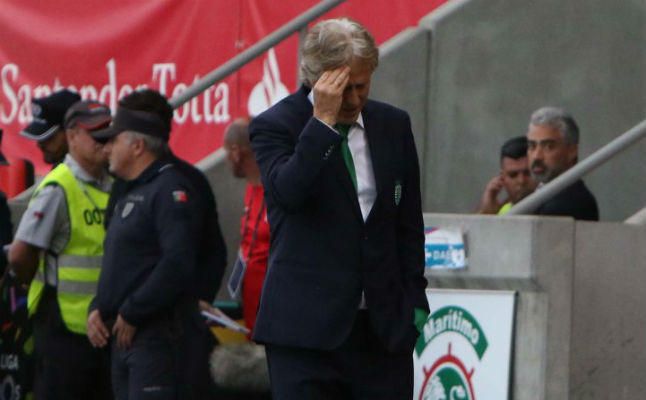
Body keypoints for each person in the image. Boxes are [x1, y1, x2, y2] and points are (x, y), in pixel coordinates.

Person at [249, 18, 429, 399]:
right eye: (343, 88)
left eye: (361, 86)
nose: (353, 99)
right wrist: (322, 125)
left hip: (382, 333)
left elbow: (408, 224)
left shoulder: (393, 125)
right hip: (305, 337)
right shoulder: (276, 125)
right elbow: (288, 194)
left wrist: (415, 305)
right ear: (315, 79)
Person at [88, 90, 207, 399]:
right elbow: (121, 263)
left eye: (114, 140)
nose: (107, 148)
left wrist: (133, 311)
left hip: (155, 338)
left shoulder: (170, 189)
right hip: (123, 338)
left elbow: (177, 262)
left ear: (137, 146)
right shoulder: (129, 189)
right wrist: (98, 307)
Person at [7, 99, 113, 399]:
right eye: (95, 134)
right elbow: (20, 255)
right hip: (63, 331)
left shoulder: (115, 183)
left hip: (104, 327)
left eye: (107, 132)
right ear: (72, 136)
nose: (103, 140)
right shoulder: (59, 187)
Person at [223, 117, 269, 334]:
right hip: (252, 314)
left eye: (226, 152)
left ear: (236, 152)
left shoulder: (277, 190)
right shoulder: (251, 188)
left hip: (275, 315)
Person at [526, 106, 599, 220]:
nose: (537, 156)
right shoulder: (545, 194)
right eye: (532, 146)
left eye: (548, 146)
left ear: (572, 151)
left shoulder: (567, 204)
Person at [477, 136, 537, 215]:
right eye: (513, 175)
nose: (521, 181)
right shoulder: (501, 212)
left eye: (528, 173)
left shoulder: (552, 208)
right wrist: (487, 213)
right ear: (502, 178)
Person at [21, 89, 81, 166]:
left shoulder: (91, 170)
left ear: (73, 133)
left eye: (48, 138)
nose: (39, 145)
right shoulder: (61, 169)